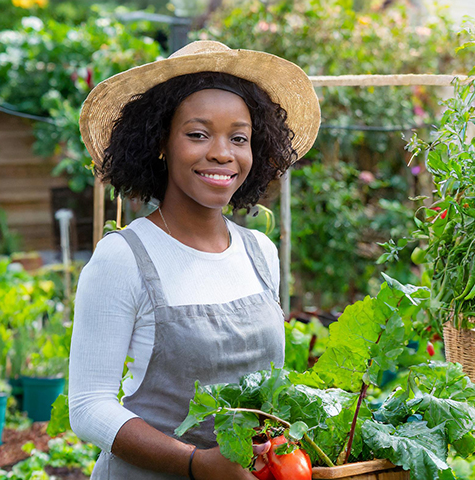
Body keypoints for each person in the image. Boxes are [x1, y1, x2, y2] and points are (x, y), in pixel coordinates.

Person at [69, 40, 320, 479]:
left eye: (238, 138)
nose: (223, 153)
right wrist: (195, 463)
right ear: (161, 143)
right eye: (198, 134)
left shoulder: (260, 253)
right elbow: (89, 407)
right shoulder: (123, 257)